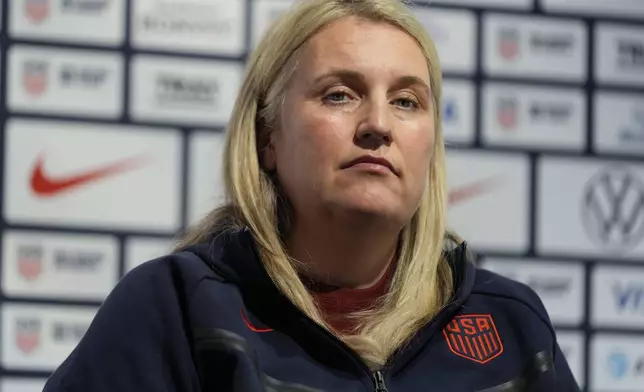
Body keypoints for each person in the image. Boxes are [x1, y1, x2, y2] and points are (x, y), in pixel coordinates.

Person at [43, 0, 581, 391]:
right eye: (339, 94)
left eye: (407, 101)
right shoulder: (174, 310)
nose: (377, 124)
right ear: (266, 138)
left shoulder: (513, 326)